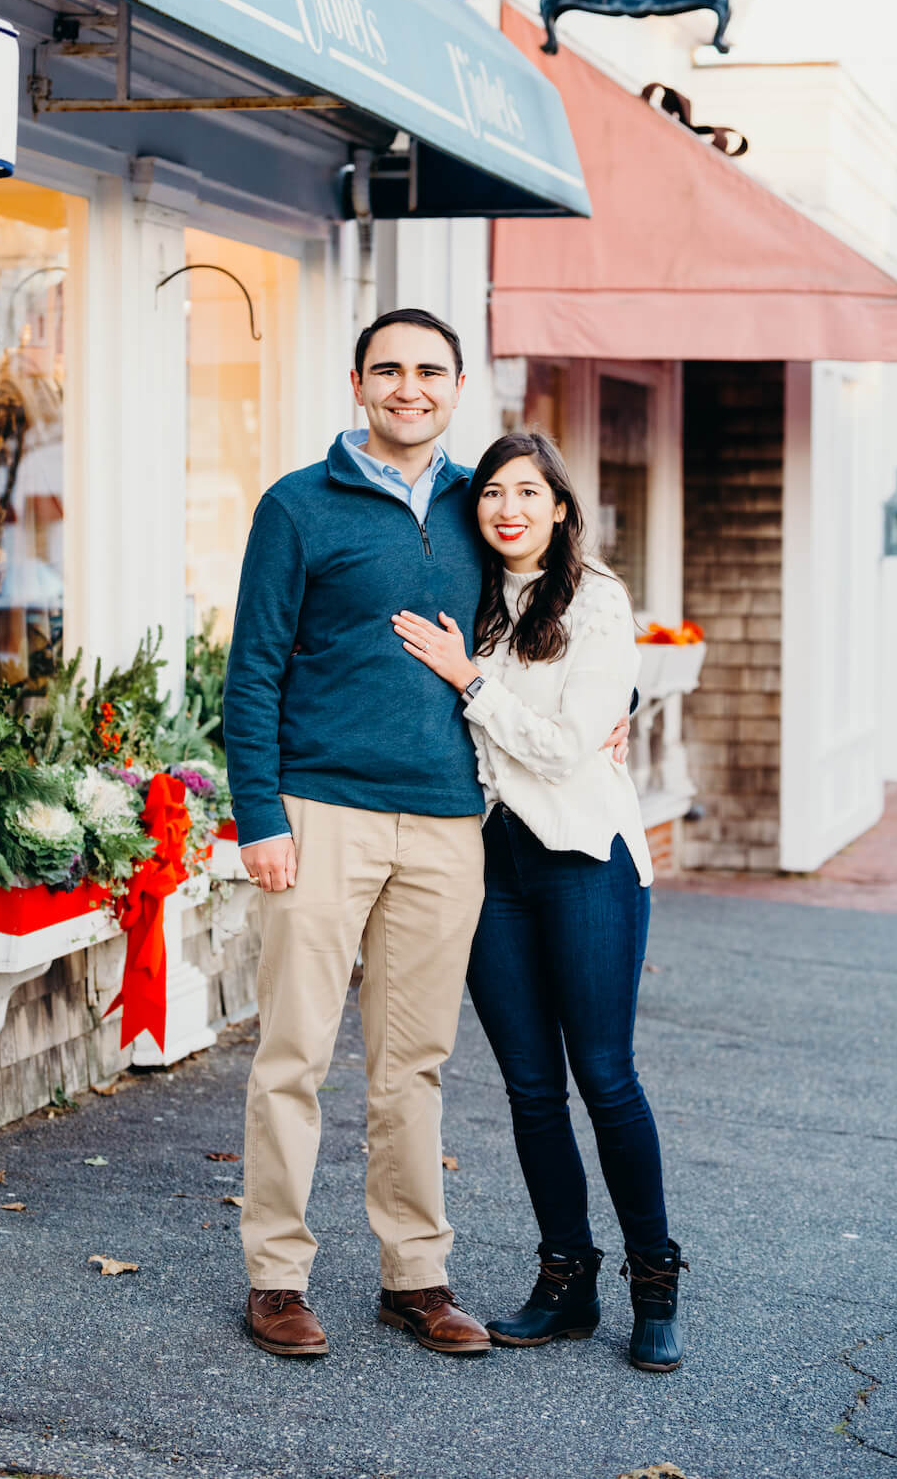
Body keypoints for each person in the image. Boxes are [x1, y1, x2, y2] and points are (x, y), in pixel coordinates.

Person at [224, 307, 494, 1358]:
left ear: (457, 386)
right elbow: (252, 667)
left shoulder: (485, 506)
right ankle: (278, 1276)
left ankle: (414, 1274)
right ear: (357, 382)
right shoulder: (299, 505)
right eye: (390, 369)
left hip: (446, 819)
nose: (408, 386)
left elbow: (557, 611)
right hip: (321, 810)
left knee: (412, 1062)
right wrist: (261, 815)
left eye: (429, 370)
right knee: (293, 1052)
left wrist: (610, 703)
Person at [390, 428, 687, 1373]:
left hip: (582, 857)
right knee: (528, 1087)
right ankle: (567, 1279)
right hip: (494, 864)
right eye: (491, 495)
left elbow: (566, 747)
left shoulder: (596, 600)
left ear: (560, 507)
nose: (507, 509)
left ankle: (655, 1280)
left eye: (528, 493)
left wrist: (469, 679)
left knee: (604, 1075)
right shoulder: (474, 598)